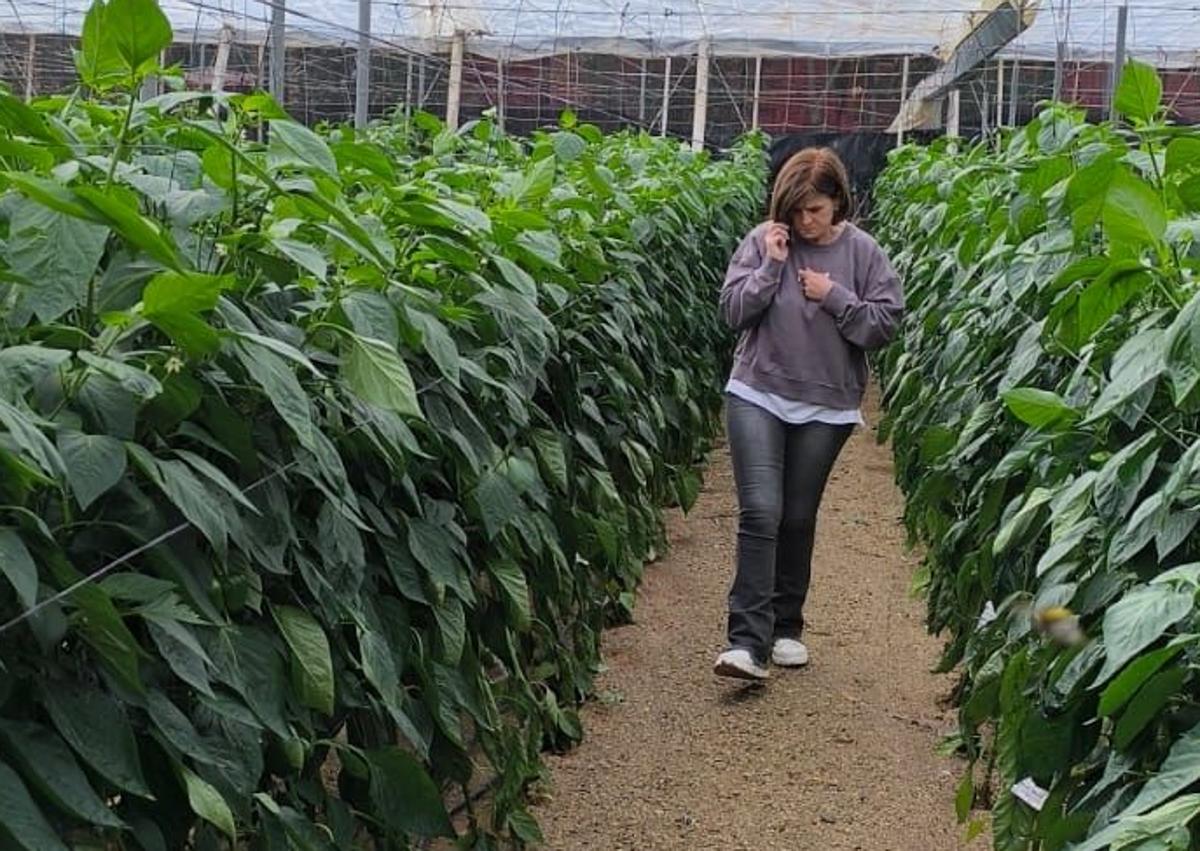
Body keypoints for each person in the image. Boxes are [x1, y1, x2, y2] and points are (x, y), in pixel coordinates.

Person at [713, 147, 904, 681]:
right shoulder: (764, 242)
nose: (805, 221)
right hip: (757, 392)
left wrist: (835, 296)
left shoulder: (863, 253)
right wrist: (771, 267)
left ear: (839, 202)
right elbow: (732, 313)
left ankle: (786, 627)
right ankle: (746, 644)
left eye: (815, 210)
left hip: (827, 404)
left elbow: (884, 325)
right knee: (760, 511)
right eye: (796, 210)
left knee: (797, 516)